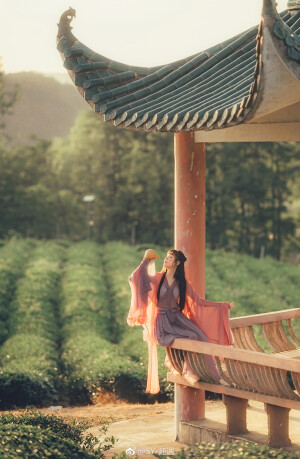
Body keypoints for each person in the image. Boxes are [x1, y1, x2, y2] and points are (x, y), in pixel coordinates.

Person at [127, 248, 233, 394]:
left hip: (177, 318)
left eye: (170, 257)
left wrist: (222, 306)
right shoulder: (158, 278)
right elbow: (136, 279)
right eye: (166, 256)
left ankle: (214, 375)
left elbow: (198, 301)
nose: (166, 259)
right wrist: (146, 260)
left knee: (201, 336)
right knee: (191, 336)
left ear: (177, 262)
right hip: (163, 321)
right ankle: (188, 370)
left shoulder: (182, 283)